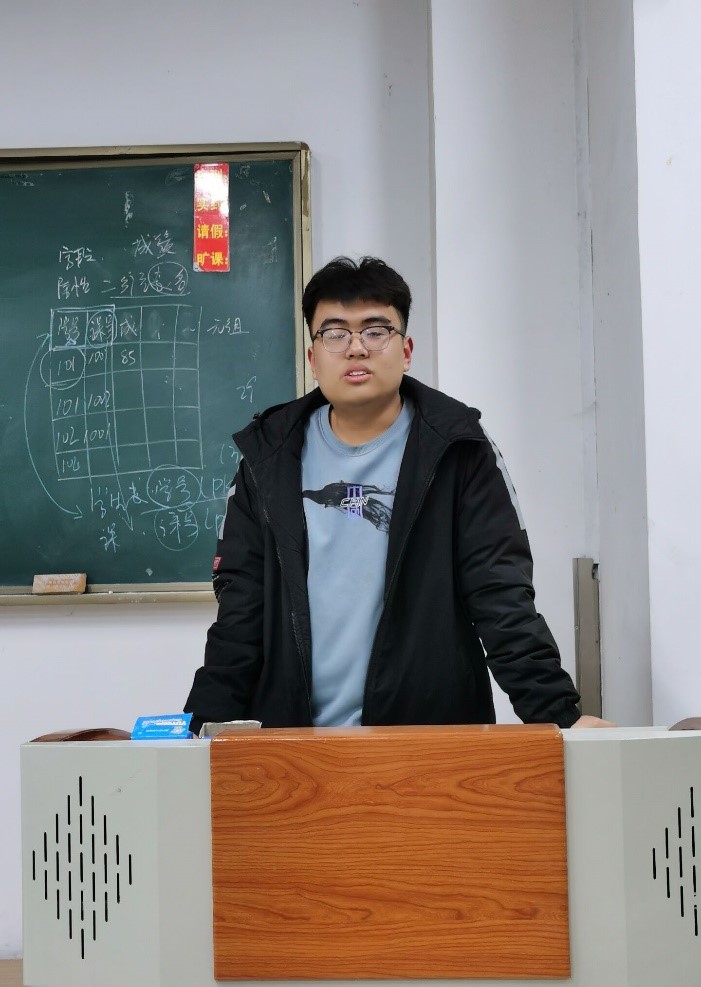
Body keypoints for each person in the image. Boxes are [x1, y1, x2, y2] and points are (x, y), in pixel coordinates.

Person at [184, 257, 613, 734]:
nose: (356, 348)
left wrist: (560, 717)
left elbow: (501, 597)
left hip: (427, 740)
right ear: (313, 357)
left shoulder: (459, 449)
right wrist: (201, 727)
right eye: (335, 333)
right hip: (293, 743)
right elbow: (240, 613)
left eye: (375, 331)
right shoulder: (267, 457)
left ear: (406, 351)